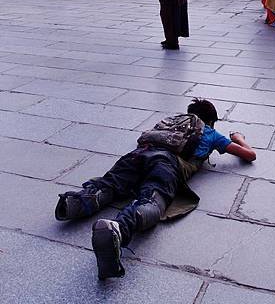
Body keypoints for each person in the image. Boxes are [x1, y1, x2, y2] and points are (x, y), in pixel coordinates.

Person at [54, 98, 256, 280]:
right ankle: (118, 229)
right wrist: (238, 137)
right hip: (166, 164)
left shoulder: (170, 121)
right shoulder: (211, 133)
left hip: (138, 154)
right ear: (211, 120)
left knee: (110, 184)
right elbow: (249, 155)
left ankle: (76, 203)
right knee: (152, 200)